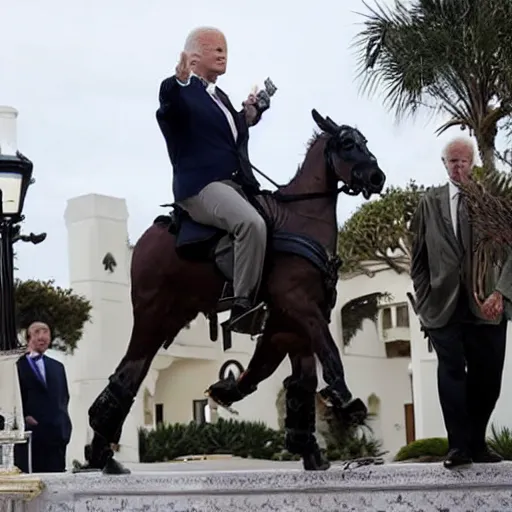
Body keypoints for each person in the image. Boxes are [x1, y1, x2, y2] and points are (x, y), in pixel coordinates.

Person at [156, 26, 268, 333]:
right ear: (193, 57)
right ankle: (243, 306)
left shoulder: (219, 97)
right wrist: (177, 81)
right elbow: (169, 108)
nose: (222, 54)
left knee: (274, 218)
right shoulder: (183, 92)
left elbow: (234, 133)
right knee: (251, 223)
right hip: (201, 187)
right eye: (214, 48)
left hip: (235, 183)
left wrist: (251, 112)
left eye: (225, 49)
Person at [410, 137, 512, 469]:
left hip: (487, 305)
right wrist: (424, 299)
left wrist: (501, 292)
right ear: (444, 164)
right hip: (443, 305)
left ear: (473, 164)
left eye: (464, 161)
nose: (458, 166)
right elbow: (419, 257)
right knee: (451, 371)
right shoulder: (429, 202)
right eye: (452, 161)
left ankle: (477, 443)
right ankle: (458, 448)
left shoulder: (492, 202)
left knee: (488, 379)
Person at [14, 321, 72, 473]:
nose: (42, 336)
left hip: (55, 438)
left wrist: (64, 426)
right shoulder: (16, 365)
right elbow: (13, 396)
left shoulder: (57, 367)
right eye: (37, 332)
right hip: (30, 437)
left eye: (46, 332)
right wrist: (24, 417)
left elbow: (64, 397)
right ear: (28, 338)